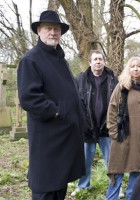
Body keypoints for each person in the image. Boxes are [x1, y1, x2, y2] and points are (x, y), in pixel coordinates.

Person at [17, 10, 85, 199]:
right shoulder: (31, 59)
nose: (53, 32)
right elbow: (29, 97)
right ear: (39, 30)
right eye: (49, 28)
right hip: (47, 137)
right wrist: (57, 112)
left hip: (64, 138)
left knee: (59, 186)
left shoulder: (59, 58)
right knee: (45, 187)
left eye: (56, 29)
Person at [106, 56, 140, 200]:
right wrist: (114, 132)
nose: (136, 68)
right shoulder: (122, 87)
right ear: (128, 69)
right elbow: (112, 109)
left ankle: (131, 198)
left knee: (137, 171)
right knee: (117, 171)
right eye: (132, 66)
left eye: (139, 66)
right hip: (123, 137)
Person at [71, 50, 120, 196]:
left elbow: (120, 101)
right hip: (87, 127)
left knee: (112, 160)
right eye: (95, 59)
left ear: (104, 62)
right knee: (85, 160)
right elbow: (74, 102)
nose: (98, 61)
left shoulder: (113, 79)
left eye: (100, 59)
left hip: (107, 127)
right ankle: (83, 186)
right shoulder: (80, 79)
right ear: (90, 62)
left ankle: (116, 187)